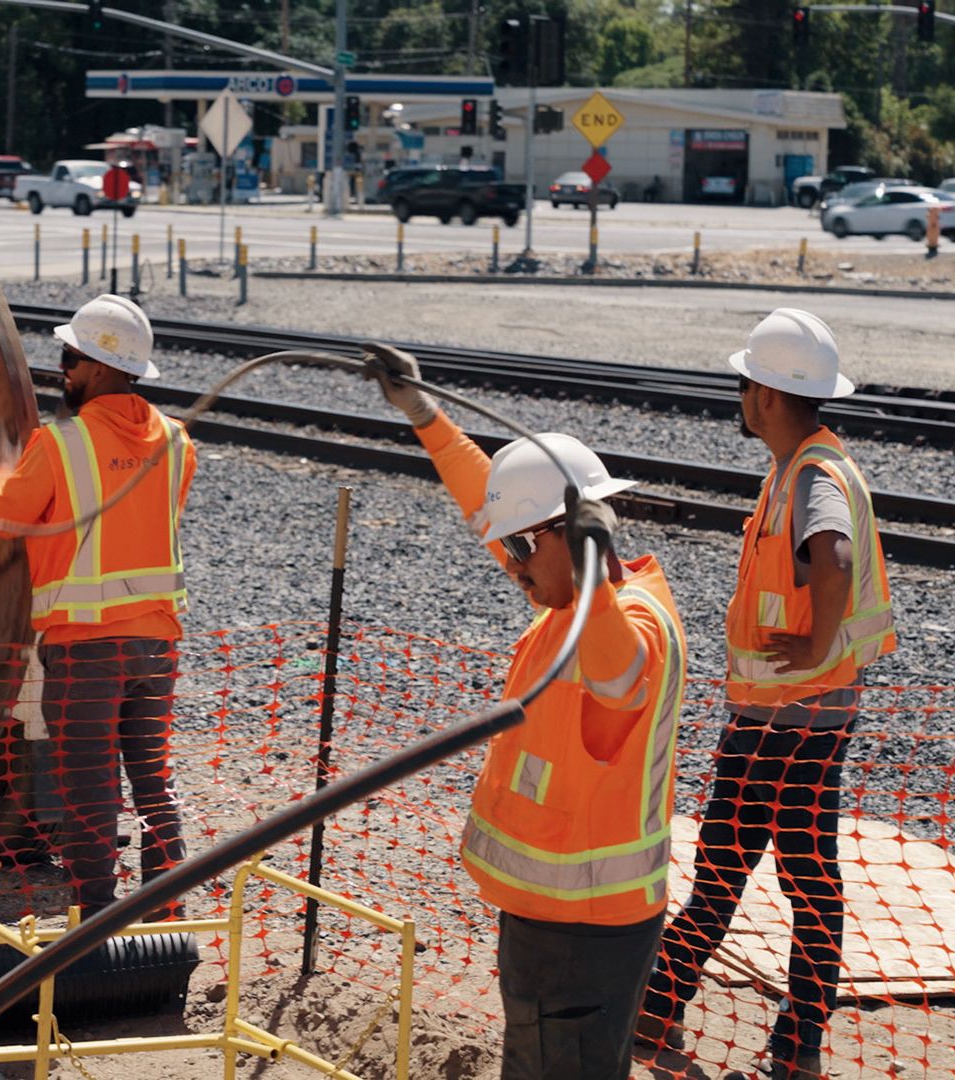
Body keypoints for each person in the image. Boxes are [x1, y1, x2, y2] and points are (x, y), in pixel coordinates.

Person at [369, 345, 687, 1080]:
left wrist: (581, 561)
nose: (508, 563)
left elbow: (620, 676)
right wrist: (424, 414)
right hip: (555, 918)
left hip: (583, 930)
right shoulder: (571, 598)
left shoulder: (622, 624)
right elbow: (495, 507)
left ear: (572, 539)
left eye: (520, 547)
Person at [638, 309, 895, 1080]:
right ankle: (703, 1022)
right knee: (768, 871)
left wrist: (815, 645)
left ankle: (746, 1034)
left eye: (747, 385)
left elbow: (833, 557)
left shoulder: (814, 476)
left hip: (790, 719)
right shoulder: (801, 466)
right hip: (792, 714)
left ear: (769, 395)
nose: (742, 397)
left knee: (770, 875)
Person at [0, 293, 196, 919]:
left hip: (86, 648)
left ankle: (96, 916)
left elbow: (5, 515)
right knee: (153, 781)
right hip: (157, 644)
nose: (64, 370)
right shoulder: (176, 441)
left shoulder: (60, 444)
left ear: (101, 367)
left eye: (70, 359)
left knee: (90, 788)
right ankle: (166, 913)